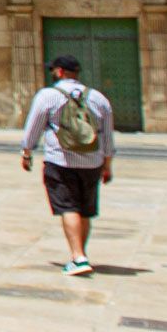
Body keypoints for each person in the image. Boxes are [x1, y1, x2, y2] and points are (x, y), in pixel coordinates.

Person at [20, 54, 116, 277]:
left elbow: (33, 128)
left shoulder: (48, 96)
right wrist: (107, 164)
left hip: (60, 160)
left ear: (60, 72)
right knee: (84, 209)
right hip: (92, 162)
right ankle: (80, 253)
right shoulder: (99, 98)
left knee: (68, 207)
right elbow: (108, 137)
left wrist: (27, 152)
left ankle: (78, 257)